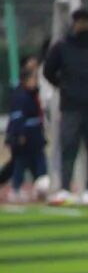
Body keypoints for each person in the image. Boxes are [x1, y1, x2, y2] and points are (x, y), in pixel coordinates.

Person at [42, 7, 88, 206]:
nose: (83, 25)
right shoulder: (62, 47)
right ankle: (65, 189)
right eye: (80, 21)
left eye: (86, 21)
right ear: (74, 23)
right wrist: (64, 87)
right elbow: (49, 71)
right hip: (71, 107)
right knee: (69, 147)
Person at [4, 58, 49, 203]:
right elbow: (17, 118)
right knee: (20, 163)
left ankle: (41, 189)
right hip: (25, 136)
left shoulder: (33, 94)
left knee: (40, 163)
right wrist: (18, 135)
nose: (35, 82)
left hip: (35, 136)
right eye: (33, 79)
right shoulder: (21, 96)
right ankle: (16, 189)